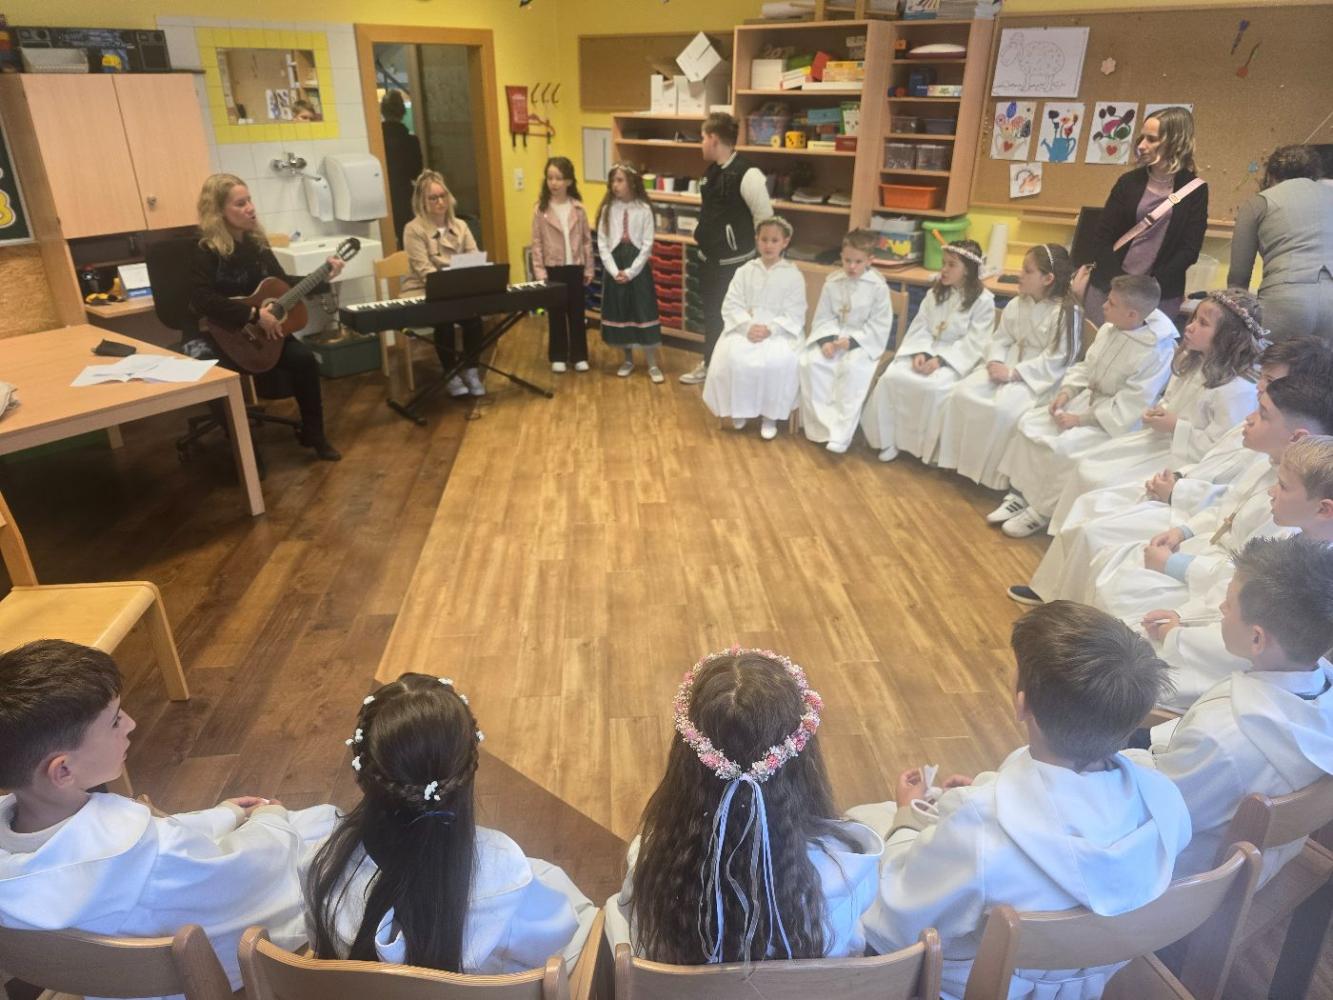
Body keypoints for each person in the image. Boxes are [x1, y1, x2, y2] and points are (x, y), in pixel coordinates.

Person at [852, 602, 1189, 1000]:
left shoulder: (979, 829)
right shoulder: (1165, 800)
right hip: (1091, 980)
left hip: (976, 987)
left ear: (1022, 703)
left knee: (860, 824)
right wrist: (986, 788)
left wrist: (907, 818)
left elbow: (896, 922)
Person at [0, 640, 337, 993]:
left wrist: (225, 815)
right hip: (190, 984)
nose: (131, 723)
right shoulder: (150, 851)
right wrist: (272, 819)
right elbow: (249, 870)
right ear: (63, 770)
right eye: (114, 721)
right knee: (324, 824)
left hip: (109, 985)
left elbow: (166, 835)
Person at [605, 648, 883, 962]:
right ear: (803, 763)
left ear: (686, 765)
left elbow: (632, 928)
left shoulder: (653, 864)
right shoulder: (850, 865)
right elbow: (854, 944)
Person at [306, 673, 595, 973]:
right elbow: (562, 946)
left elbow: (319, 946)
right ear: (465, 774)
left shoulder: (322, 865)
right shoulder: (506, 873)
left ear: (362, 775)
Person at [1012, 336, 1333, 607]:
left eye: (1273, 382)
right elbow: (1225, 496)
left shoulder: (1298, 491)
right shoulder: (1274, 453)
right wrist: (1183, 517)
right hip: (1198, 519)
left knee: (1110, 561)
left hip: (1211, 557)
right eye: (1263, 377)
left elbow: (1241, 547)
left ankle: (1067, 615)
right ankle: (1056, 596)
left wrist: (1179, 496)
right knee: (1096, 522)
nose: (1260, 388)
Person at [1126, 536, 1333, 884]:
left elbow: (1153, 812)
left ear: (1257, 639)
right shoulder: (1321, 684)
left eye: (1229, 604)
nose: (1221, 608)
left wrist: (1121, 761)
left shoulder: (1224, 735)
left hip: (1188, 877)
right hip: (1266, 854)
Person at [1091, 375, 1333, 629]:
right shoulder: (1280, 478)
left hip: (1212, 585)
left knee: (1120, 592)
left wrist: (1176, 583)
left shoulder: (1296, 525)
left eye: (1263, 414)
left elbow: (1243, 590)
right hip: (1208, 561)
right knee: (1112, 561)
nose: (1272, 491)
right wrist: (1184, 530)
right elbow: (1228, 511)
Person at [1137, 434, 1333, 710]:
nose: (1271, 492)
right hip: (1218, 641)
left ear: (1323, 509)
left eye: (1283, 486)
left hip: (1253, 680)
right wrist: (1184, 618)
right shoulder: (1297, 539)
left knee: (1131, 675)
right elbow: (1237, 592)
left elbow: (1263, 645)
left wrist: (1177, 636)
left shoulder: (1317, 579)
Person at [1045, 288, 1264, 533]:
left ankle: (1081, 534)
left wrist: (1176, 426)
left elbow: (1221, 451)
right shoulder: (1191, 360)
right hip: (1159, 441)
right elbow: (1170, 400)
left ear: (1229, 337)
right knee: (1087, 466)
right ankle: (1066, 533)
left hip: (1183, 461)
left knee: (1103, 483)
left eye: (1203, 323)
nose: (1190, 327)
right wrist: (1158, 412)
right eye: (1194, 318)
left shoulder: (1238, 390)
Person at [992, 274, 1177, 538]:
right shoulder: (1110, 328)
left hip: (1111, 421)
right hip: (1085, 401)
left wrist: (1080, 420)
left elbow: (1133, 402)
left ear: (1132, 314)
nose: (1103, 306)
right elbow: (1086, 367)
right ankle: (1020, 494)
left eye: (1111, 303)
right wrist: (1066, 393)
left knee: (1066, 449)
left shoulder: (1157, 350)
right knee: (1030, 424)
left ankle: (1041, 512)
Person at [188, 172, 344, 461]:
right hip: (223, 335)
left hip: (263, 335)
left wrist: (323, 276)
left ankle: (315, 434)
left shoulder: (257, 245)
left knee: (304, 360)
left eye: (249, 200)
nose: (250, 208)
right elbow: (201, 299)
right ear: (218, 211)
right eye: (240, 203)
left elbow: (283, 286)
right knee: (216, 378)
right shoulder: (204, 250)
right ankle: (245, 452)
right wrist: (252, 314)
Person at [937, 243, 1081, 491]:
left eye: (1027, 271)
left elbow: (1059, 358)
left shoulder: (1067, 313)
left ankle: (989, 476)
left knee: (1003, 411)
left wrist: (1014, 373)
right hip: (1005, 365)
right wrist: (995, 361)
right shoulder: (1017, 303)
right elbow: (1001, 338)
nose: (1019, 275)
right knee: (962, 393)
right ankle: (957, 462)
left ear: (1048, 279)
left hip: (1037, 379)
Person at [861, 240, 996, 464]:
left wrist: (940, 360)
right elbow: (920, 326)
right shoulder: (935, 293)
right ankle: (889, 440)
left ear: (968, 270)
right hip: (925, 349)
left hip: (954, 358)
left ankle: (924, 449)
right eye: (943, 263)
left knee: (935, 388)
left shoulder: (983, 301)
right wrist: (919, 352)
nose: (944, 269)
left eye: (951, 265)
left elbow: (976, 341)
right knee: (892, 377)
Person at [1076, 106, 1207, 327]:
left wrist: (1149, 287)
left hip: (1158, 297)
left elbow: (1189, 249)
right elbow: (1102, 238)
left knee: (1145, 348)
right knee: (1101, 346)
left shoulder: (1195, 190)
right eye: (1142, 137)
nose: (1141, 145)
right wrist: (1119, 284)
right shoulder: (1128, 182)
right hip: (1109, 288)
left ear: (1175, 142)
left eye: (1151, 139)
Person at [680, 112, 773, 386]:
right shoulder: (711, 173)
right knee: (711, 317)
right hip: (709, 261)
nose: (701, 144)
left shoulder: (748, 174)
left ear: (714, 138)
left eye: (702, 138)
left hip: (735, 266)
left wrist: (763, 266)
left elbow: (765, 220)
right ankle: (711, 364)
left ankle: (735, 374)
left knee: (735, 321)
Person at [702, 217, 806, 441]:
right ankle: (740, 410)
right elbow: (731, 303)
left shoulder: (793, 275)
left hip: (779, 330)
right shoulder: (744, 271)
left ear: (785, 242)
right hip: (746, 326)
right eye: (764, 239)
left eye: (774, 240)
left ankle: (770, 416)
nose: (769, 245)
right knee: (733, 357)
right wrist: (746, 326)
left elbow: (795, 312)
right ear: (757, 240)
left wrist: (771, 329)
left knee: (778, 361)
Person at [797, 229, 895, 454]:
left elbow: (880, 325)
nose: (851, 266)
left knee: (852, 369)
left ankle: (840, 434)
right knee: (812, 363)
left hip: (862, 341)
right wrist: (826, 340)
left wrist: (852, 341)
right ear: (841, 256)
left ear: (870, 260)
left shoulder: (878, 287)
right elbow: (823, 317)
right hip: (834, 336)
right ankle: (821, 429)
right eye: (847, 260)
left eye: (858, 262)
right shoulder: (833, 282)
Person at [1227, 144, 1333, 342]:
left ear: (1271, 175)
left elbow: (1238, 279)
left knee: (1269, 360)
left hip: (1285, 298)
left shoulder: (1259, 202)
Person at [401, 171, 487, 398]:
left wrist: (463, 276)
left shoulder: (461, 225)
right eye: (433, 198)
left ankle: (470, 370)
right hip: (425, 289)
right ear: (422, 201)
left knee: (474, 318)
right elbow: (424, 270)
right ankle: (450, 373)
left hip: (458, 289)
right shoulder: (413, 229)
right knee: (444, 318)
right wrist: (453, 275)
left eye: (443, 196)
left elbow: (474, 257)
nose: (440, 202)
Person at [594, 163, 663, 382]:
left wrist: (631, 272)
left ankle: (652, 363)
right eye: (613, 181)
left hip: (637, 268)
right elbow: (602, 243)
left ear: (632, 182)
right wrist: (614, 271)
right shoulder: (607, 210)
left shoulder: (643, 209)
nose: (615, 185)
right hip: (615, 265)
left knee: (643, 311)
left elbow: (647, 245)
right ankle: (628, 360)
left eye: (620, 180)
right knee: (621, 311)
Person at [531, 156, 594, 375]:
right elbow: (537, 243)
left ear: (568, 181)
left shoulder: (578, 208)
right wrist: (540, 272)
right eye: (550, 178)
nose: (554, 183)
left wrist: (588, 268)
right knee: (556, 314)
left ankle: (579, 355)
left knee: (577, 313)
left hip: (575, 267)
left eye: (558, 178)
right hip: (553, 268)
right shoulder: (541, 210)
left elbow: (586, 241)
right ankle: (558, 355)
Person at [381, 90, 424, 250]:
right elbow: (416, 172)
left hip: (382, 192)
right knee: (407, 237)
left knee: (384, 239)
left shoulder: (376, 141)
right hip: (404, 194)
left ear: (383, 111)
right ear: (403, 112)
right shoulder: (410, 141)